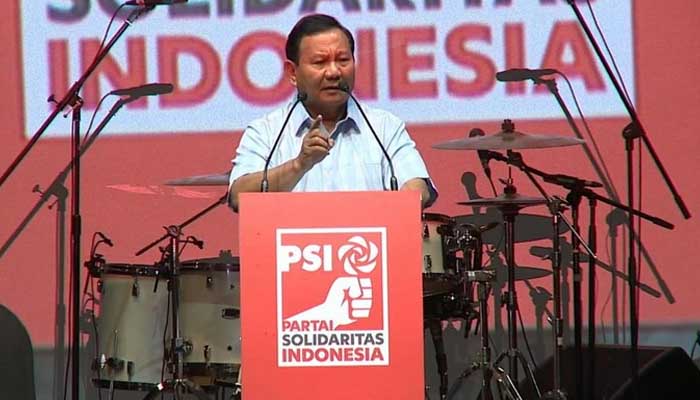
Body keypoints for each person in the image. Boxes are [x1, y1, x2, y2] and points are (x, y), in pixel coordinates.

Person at [228, 14, 437, 210]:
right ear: (292, 73)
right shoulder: (266, 132)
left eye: (343, 60)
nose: (334, 72)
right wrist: (299, 164)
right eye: (320, 62)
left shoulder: (384, 127)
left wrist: (400, 203)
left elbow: (418, 189)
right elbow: (239, 197)